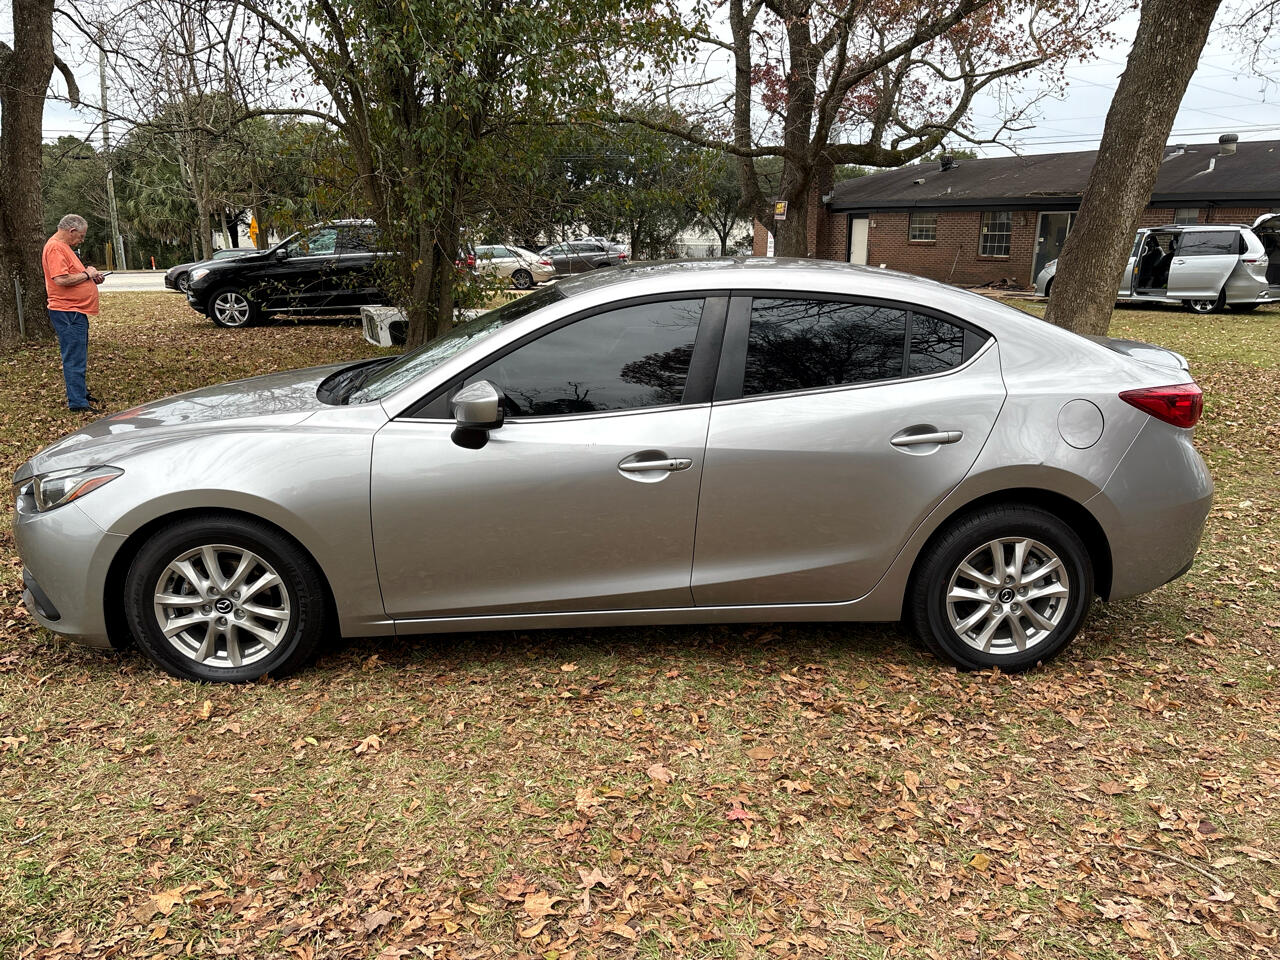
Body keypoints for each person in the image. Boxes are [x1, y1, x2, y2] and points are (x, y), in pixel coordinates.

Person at [42, 214, 105, 411]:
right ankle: (77, 402)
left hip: (74, 311)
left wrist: (91, 277)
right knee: (74, 357)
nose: (82, 240)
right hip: (67, 312)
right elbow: (60, 279)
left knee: (79, 354)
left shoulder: (64, 248)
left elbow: (72, 275)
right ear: (71, 231)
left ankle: (80, 393)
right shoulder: (55, 248)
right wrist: (88, 274)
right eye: (81, 236)